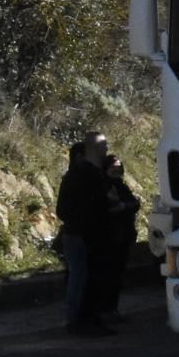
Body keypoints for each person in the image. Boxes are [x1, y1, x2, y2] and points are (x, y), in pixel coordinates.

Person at [55, 131, 114, 336]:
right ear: (96, 149)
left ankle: (90, 319)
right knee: (81, 278)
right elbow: (65, 209)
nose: (107, 150)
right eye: (104, 146)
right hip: (82, 236)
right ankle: (79, 321)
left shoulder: (94, 174)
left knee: (90, 278)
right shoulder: (82, 176)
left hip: (90, 235)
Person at [100, 155, 142, 321]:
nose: (116, 172)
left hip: (123, 236)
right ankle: (107, 310)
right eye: (113, 169)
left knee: (116, 275)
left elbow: (134, 204)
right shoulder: (105, 187)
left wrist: (124, 206)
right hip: (110, 237)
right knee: (109, 276)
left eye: (119, 170)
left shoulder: (120, 186)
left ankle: (112, 309)